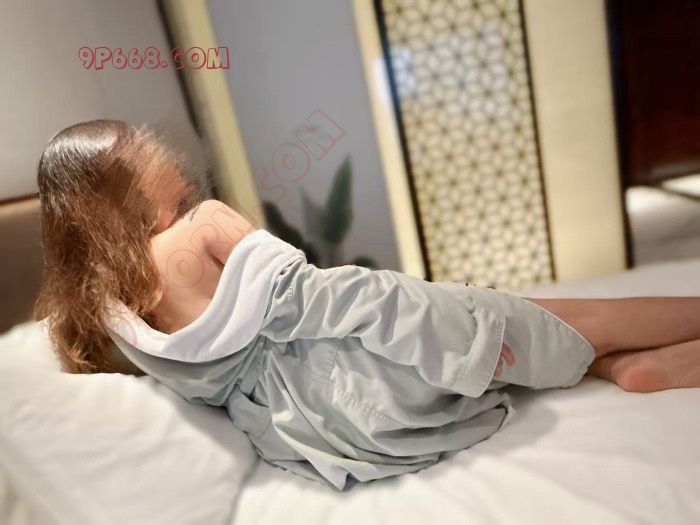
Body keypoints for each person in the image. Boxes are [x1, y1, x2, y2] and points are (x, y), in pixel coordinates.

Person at [35, 120, 700, 490]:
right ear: (127, 186)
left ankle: (621, 366)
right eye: (148, 155)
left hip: (326, 428)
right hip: (368, 372)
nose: (175, 169)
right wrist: (451, 327)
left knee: (520, 329)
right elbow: (326, 297)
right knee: (517, 317)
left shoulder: (111, 313)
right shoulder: (203, 226)